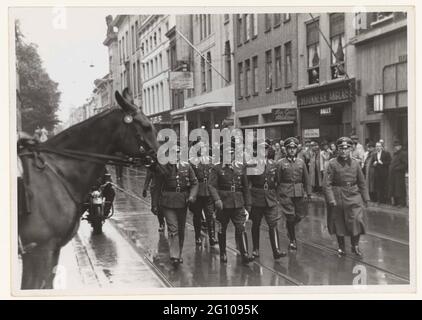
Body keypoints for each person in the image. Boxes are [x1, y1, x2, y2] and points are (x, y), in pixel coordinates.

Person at [151, 144, 198, 266]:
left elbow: (194, 183)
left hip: (183, 201)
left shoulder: (186, 166)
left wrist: (192, 196)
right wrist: (154, 204)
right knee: (173, 228)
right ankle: (174, 256)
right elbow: (157, 187)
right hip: (168, 201)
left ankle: (179, 253)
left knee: (181, 229)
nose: (176, 155)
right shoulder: (163, 168)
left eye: (178, 152)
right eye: (173, 153)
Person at [208, 143, 254, 265]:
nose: (230, 155)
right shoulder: (217, 168)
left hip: (238, 203)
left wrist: (248, 205)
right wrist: (217, 200)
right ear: (223, 154)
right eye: (228, 153)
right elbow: (212, 186)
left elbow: (246, 188)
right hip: (223, 204)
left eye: (232, 153)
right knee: (222, 229)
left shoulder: (240, 167)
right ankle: (223, 252)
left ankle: (244, 253)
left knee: (241, 227)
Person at [323, 137, 369, 257]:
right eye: (341, 149)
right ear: (337, 150)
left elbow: (362, 181)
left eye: (346, 148)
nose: (344, 151)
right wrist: (331, 199)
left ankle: (355, 245)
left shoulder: (355, 163)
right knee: (339, 223)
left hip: (354, 195)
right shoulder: (332, 164)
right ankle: (341, 247)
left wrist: (366, 198)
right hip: (338, 196)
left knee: (357, 220)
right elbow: (326, 184)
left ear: (350, 149)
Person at [247, 141, 287, 260]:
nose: (263, 152)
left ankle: (276, 250)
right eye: (260, 149)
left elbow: (278, 182)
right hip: (256, 198)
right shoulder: (252, 164)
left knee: (273, 224)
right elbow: (247, 183)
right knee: (256, 224)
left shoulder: (273, 164)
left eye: (265, 149)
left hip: (271, 198)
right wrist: (248, 201)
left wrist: (279, 198)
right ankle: (255, 249)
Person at [277, 137, 312, 251]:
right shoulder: (281, 163)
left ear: (297, 149)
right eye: (289, 148)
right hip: (285, 192)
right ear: (285, 150)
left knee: (300, 215)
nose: (292, 150)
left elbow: (306, 179)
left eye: (294, 148)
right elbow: (277, 180)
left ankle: (289, 227)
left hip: (299, 192)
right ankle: (292, 240)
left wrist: (309, 193)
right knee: (290, 216)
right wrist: (277, 195)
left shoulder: (301, 162)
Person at [189, 141, 218, 246]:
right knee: (197, 216)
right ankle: (197, 237)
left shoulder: (211, 160)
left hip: (209, 191)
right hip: (198, 192)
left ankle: (212, 237)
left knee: (210, 215)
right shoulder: (192, 162)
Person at [388, 140, 408, 207]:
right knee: (395, 188)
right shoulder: (395, 154)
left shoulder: (403, 153)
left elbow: (405, 164)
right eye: (395, 146)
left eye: (397, 146)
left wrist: (397, 168)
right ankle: (396, 202)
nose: (395, 147)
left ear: (400, 146)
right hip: (394, 175)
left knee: (400, 189)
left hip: (399, 174)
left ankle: (402, 203)